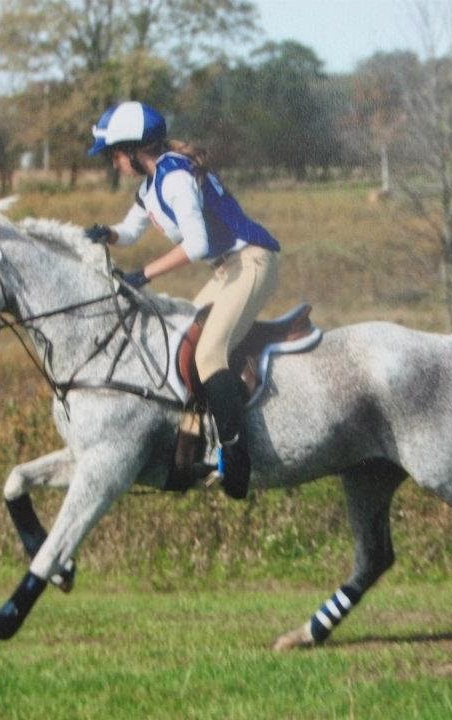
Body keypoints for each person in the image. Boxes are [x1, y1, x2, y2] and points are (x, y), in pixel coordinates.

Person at [84, 101, 280, 500]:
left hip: (252, 260)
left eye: (114, 154)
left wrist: (144, 274)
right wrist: (106, 233)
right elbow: (130, 231)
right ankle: (196, 444)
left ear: (134, 150)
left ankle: (237, 458)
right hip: (226, 269)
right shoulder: (150, 186)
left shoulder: (174, 178)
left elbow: (197, 244)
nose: (113, 163)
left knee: (208, 354)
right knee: (182, 342)